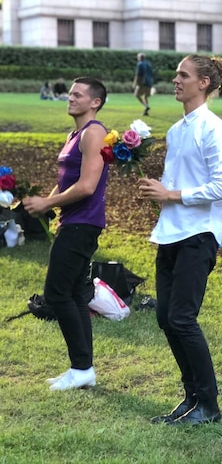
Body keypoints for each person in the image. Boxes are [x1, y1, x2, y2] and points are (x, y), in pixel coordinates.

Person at [140, 55, 222, 426]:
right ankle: (192, 397)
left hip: (199, 235)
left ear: (204, 83)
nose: (176, 80)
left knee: (181, 318)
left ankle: (208, 405)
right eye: (177, 74)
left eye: (184, 75)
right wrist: (160, 194)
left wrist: (171, 194)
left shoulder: (213, 128)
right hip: (171, 233)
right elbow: (173, 182)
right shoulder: (177, 130)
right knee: (166, 316)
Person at [23, 77, 109, 391]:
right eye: (70, 93)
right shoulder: (75, 134)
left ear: (95, 102)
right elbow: (69, 180)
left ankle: (82, 368)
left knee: (57, 294)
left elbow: (87, 186)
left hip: (83, 224)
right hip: (73, 222)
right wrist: (45, 202)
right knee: (73, 294)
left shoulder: (94, 133)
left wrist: (48, 202)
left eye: (77, 94)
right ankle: (83, 370)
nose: (70, 98)